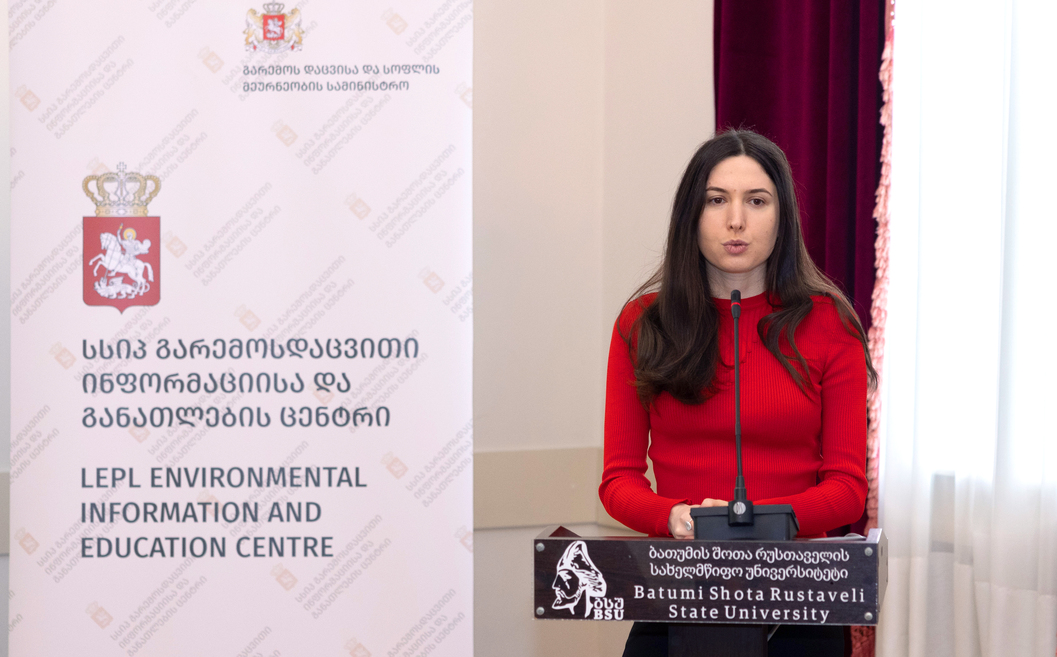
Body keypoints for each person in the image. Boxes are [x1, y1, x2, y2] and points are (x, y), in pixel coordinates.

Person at [598, 129, 876, 656]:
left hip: (798, 606)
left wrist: (759, 522)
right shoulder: (642, 324)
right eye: (716, 200)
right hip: (677, 599)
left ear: (783, 216)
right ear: (691, 215)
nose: (736, 220)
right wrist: (676, 517)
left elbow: (846, 487)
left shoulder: (831, 324)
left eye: (757, 201)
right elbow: (619, 480)